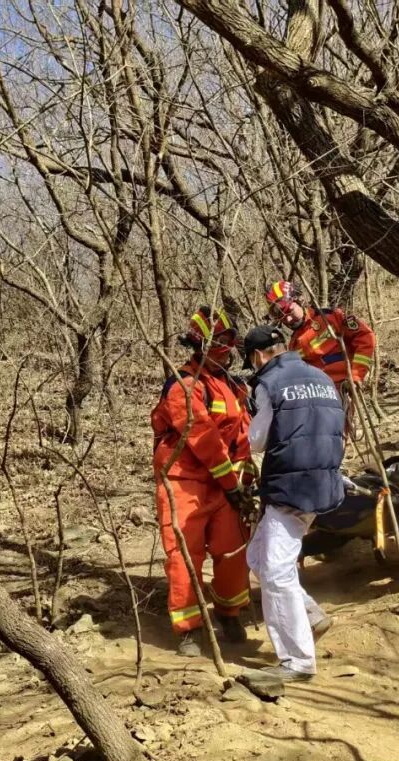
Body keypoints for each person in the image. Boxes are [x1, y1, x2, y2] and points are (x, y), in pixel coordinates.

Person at [242, 324, 345, 682]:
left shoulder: (268, 383)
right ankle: (311, 615)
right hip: (323, 482)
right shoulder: (321, 376)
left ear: (257, 357)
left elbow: (257, 441)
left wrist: (248, 418)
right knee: (256, 556)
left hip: (290, 486)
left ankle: (297, 661)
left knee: (274, 571)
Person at [150, 306, 252, 657]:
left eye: (230, 341)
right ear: (203, 345)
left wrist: (242, 474)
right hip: (184, 481)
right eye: (222, 342)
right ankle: (188, 629)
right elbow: (202, 437)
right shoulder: (183, 386)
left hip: (225, 484)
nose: (229, 348)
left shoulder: (230, 385)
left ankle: (229, 612)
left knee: (234, 549)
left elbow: (243, 433)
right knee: (183, 556)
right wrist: (229, 481)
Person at [264, 280, 377, 390]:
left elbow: (365, 337)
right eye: (282, 318)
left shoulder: (331, 317)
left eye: (290, 311)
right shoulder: (293, 345)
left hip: (345, 389)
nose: (288, 319)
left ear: (299, 300)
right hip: (320, 398)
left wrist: (356, 376)